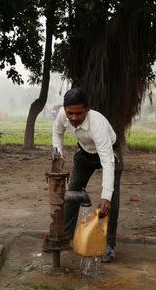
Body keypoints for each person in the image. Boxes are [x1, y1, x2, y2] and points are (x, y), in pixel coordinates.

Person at [52, 87, 123, 262]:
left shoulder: (97, 125)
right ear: (65, 109)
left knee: (110, 201)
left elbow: (107, 161)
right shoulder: (62, 115)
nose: (74, 118)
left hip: (108, 153)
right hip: (84, 154)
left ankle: (108, 245)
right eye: (70, 114)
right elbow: (57, 133)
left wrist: (106, 196)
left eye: (79, 114)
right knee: (72, 192)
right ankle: (66, 237)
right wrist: (58, 157)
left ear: (87, 109)